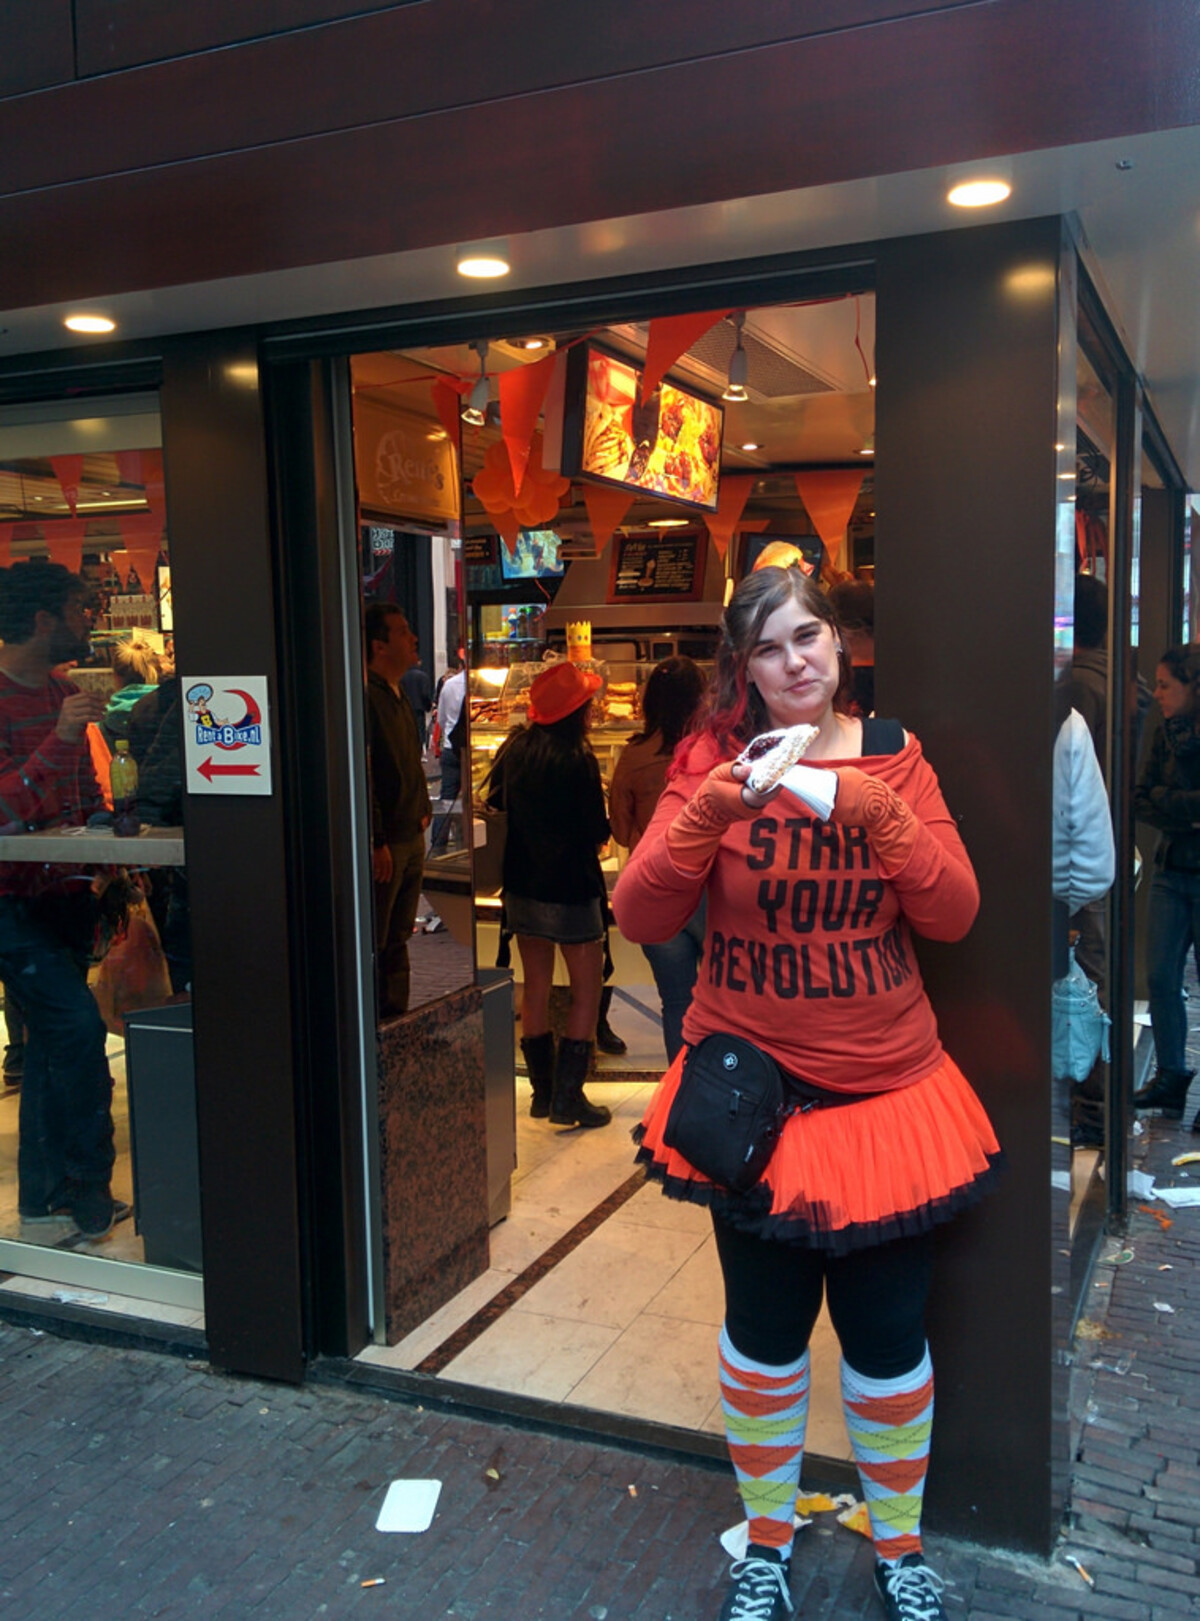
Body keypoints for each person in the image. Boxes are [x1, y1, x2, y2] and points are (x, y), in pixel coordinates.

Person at [612, 565, 1001, 1621]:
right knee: (765, 1337)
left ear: (840, 647)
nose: (799, 660)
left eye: (812, 637)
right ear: (746, 668)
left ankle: (901, 1546)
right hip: (754, 1114)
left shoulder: (896, 763)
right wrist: (718, 804)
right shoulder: (711, 772)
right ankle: (767, 1545)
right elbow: (641, 909)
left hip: (887, 1105)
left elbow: (956, 911)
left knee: (887, 1340)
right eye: (775, 646)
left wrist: (869, 806)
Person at [0, 561, 131, 1239]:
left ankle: (42, 1199)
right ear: (43, 619)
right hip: (10, 904)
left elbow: (81, 802)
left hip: (66, 895)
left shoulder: (62, 691)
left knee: (56, 1044)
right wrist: (58, 738)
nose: (90, 620)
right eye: (81, 608)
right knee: (77, 1033)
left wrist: (110, 861)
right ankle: (84, 1186)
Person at [486, 661, 612, 1129]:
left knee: (534, 985)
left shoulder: (516, 749)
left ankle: (542, 1093)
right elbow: (594, 830)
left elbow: (497, 806)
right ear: (576, 711)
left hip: (522, 885)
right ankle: (568, 1097)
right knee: (586, 991)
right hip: (572, 888)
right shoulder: (577, 758)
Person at [609, 656, 708, 1061]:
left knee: (677, 1004)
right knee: (728, 1003)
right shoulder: (714, 750)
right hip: (710, 889)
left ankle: (677, 1103)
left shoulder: (632, 756)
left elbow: (618, 829)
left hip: (655, 890)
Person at [1132, 644, 1200, 1124]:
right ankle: (1171, 1077)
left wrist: (1170, 801)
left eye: (1164, 685)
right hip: (1171, 869)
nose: (1155, 694)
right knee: (1159, 975)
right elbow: (1141, 797)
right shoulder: (1164, 733)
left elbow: (1164, 798)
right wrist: (1183, 808)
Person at [366, 603, 431, 1018]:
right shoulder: (366, 698)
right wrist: (376, 839)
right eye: (403, 632)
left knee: (400, 933)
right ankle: (380, 1017)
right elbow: (366, 773)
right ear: (379, 645)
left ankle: (396, 1018)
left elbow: (409, 761)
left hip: (410, 833)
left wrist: (423, 809)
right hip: (389, 841)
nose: (413, 639)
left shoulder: (399, 692)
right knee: (382, 934)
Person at [431, 657, 467, 851]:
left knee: (447, 800)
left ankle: (438, 846)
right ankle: (466, 843)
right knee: (472, 800)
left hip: (450, 748)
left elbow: (442, 720)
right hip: (466, 750)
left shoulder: (449, 685)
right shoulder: (475, 685)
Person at [401, 659, 433, 750]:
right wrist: (428, 706)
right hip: (419, 708)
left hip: (406, 707)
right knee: (419, 729)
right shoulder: (423, 677)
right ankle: (420, 750)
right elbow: (425, 694)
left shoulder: (402, 677)